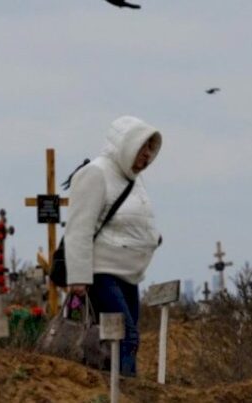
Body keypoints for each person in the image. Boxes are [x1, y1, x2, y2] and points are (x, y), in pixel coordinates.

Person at [64, 115, 163, 377]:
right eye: (142, 149)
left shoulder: (131, 178)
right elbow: (78, 228)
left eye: (150, 150)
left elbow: (132, 218)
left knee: (127, 339)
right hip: (101, 274)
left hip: (128, 275)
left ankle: (120, 389)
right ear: (127, 145)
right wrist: (78, 278)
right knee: (125, 338)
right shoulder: (96, 174)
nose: (147, 156)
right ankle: (124, 392)